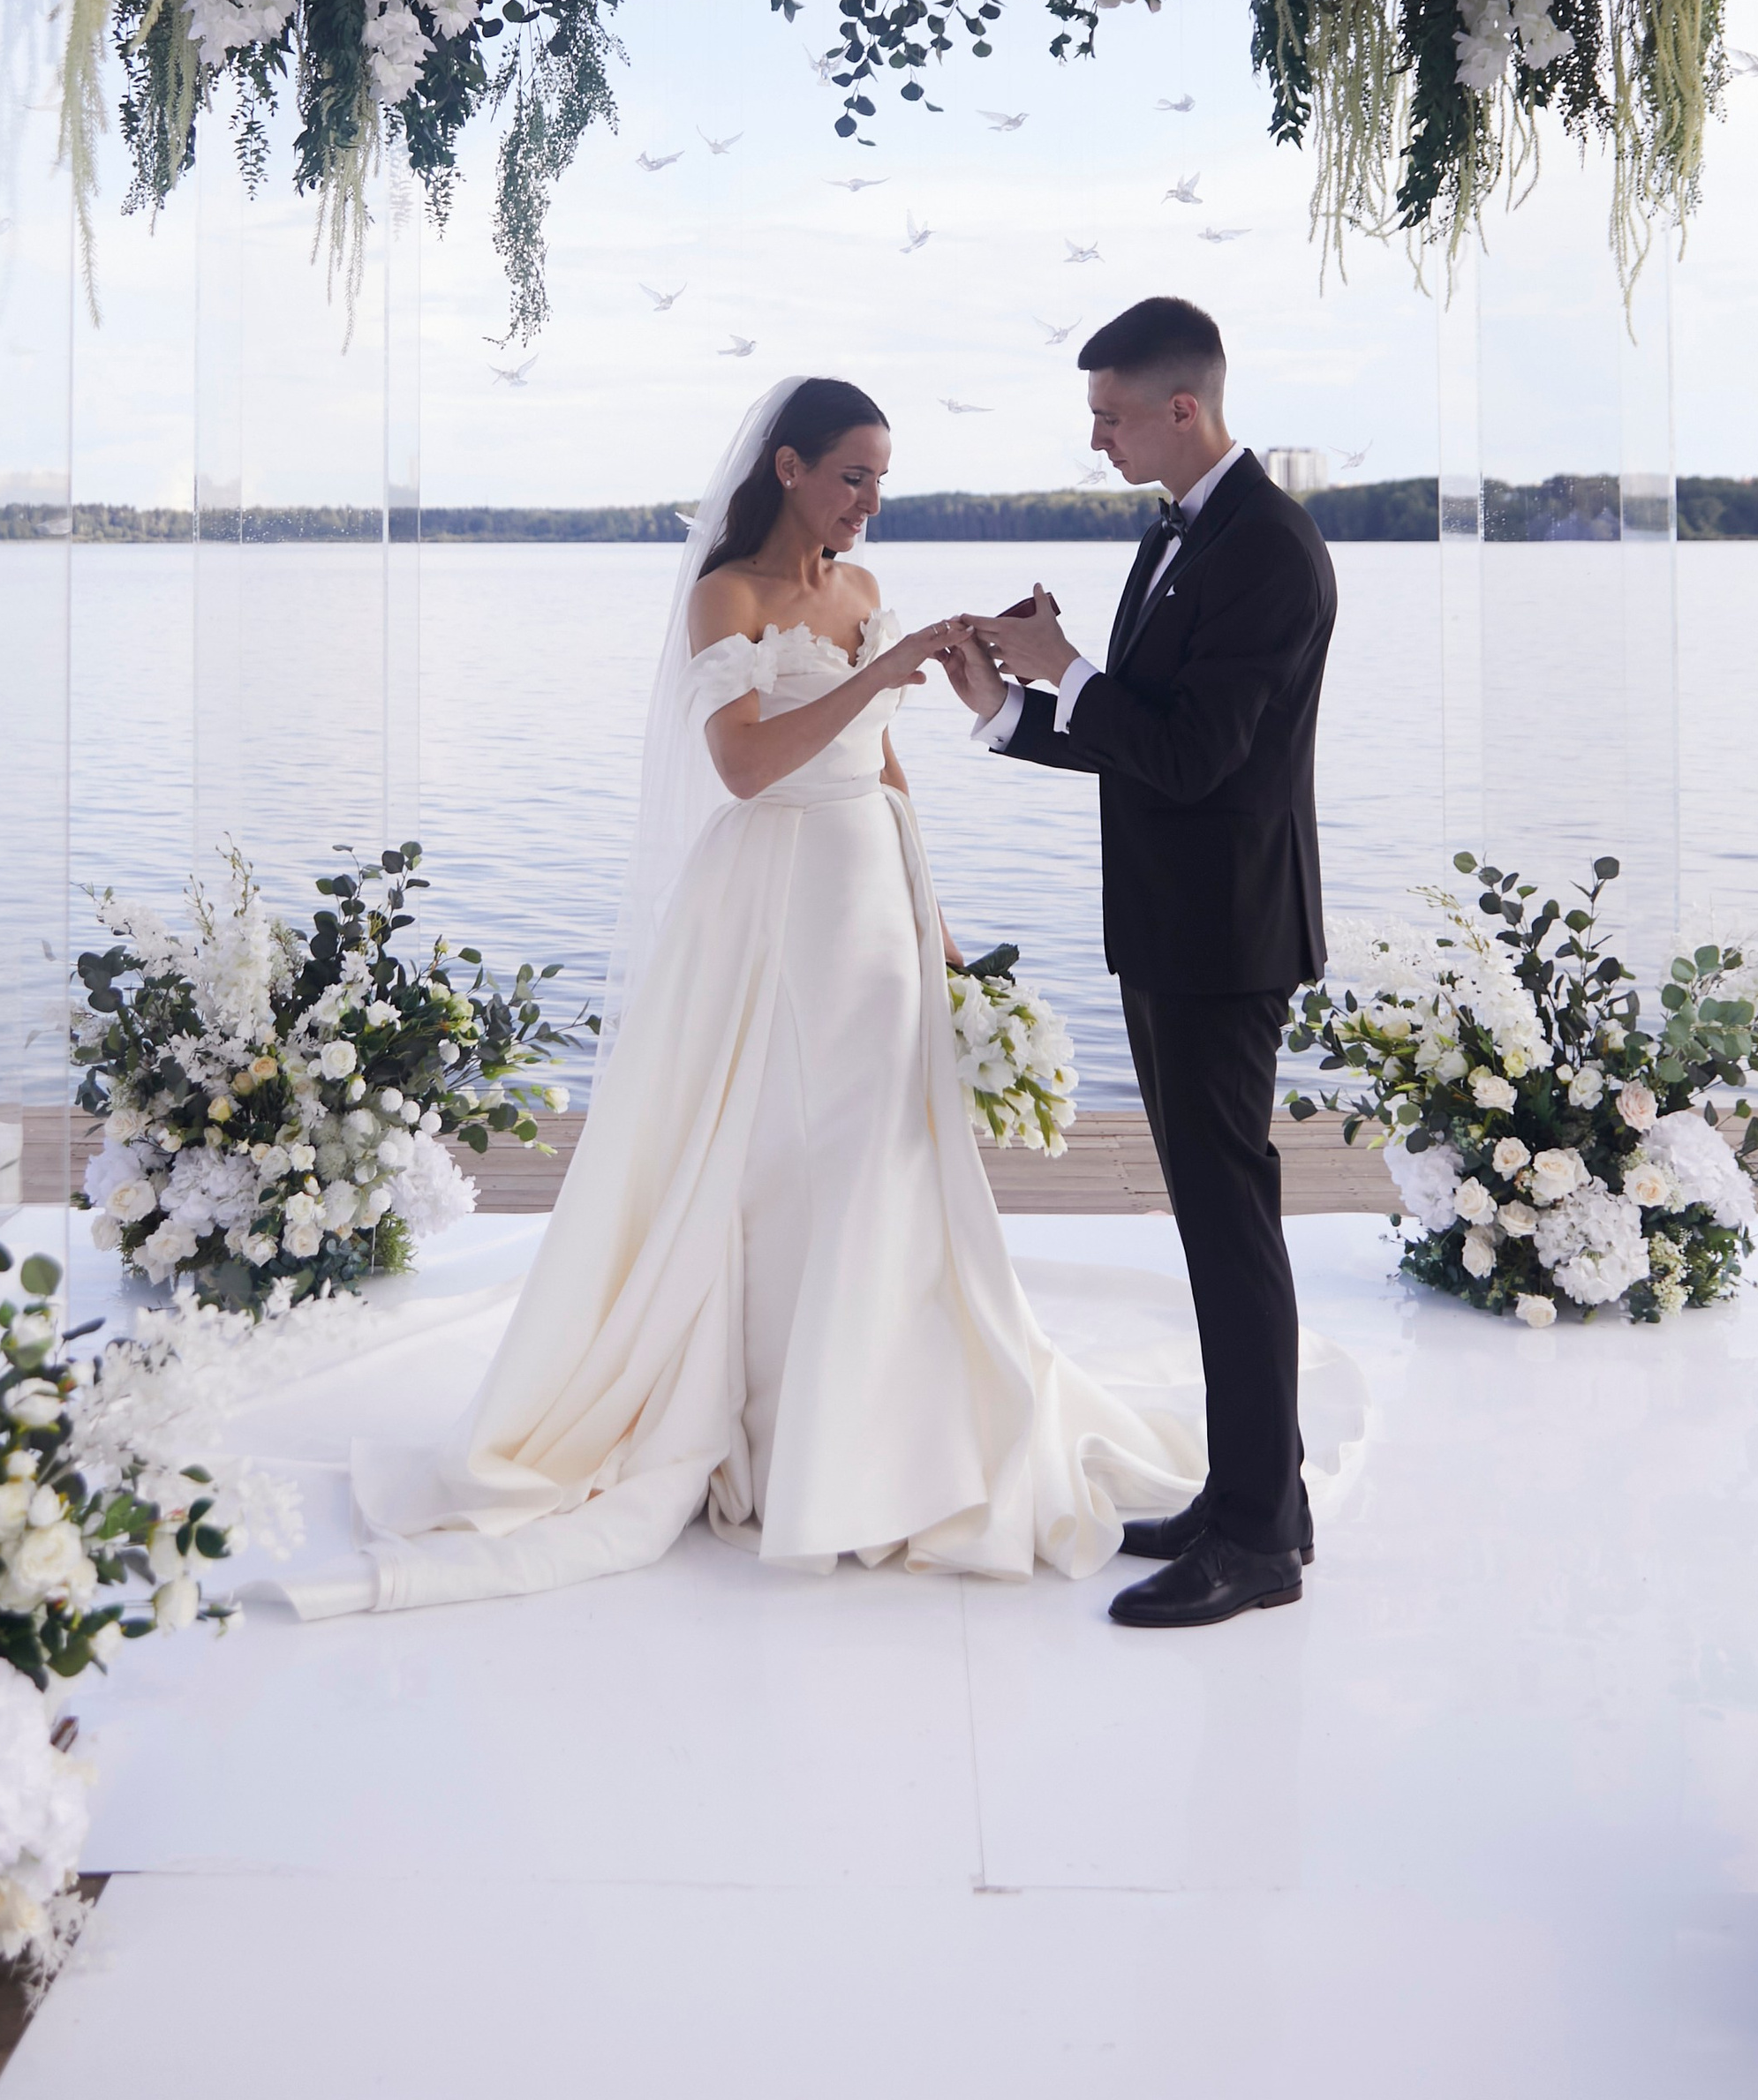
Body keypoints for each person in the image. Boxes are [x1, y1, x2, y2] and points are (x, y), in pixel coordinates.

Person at [273, 373, 1203, 1619]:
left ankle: (897, 1412)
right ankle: (783, 1422)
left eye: (882, 479)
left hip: (874, 888)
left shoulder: (864, 593)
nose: (870, 503)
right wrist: (879, 678)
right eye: (852, 476)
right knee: (784, 1153)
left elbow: (885, 767)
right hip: (777, 899)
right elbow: (750, 763)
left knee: (889, 1151)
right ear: (787, 469)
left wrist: (940, 932)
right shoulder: (731, 594)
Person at [942, 297, 1337, 1632]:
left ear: (1185, 406)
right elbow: (1141, 736)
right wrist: (1006, 705)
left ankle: (1262, 1542)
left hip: (1228, 937)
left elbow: (1192, 756)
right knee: (1215, 1225)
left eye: (1110, 414)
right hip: (1172, 924)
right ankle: (1246, 1495)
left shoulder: (1270, 550)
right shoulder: (1180, 535)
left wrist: (1068, 663)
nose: (1095, 436)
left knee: (1232, 1229)